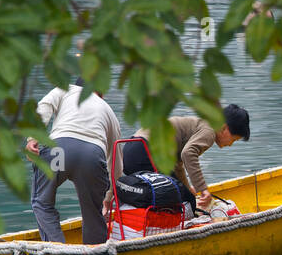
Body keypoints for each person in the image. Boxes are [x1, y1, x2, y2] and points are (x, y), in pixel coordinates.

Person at [105, 104, 250, 217]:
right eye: (234, 139)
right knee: (187, 202)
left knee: (181, 194)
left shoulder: (200, 125)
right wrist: (202, 189)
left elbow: (178, 163)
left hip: (131, 149)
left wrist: (188, 188)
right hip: (146, 152)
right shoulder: (210, 132)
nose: (230, 144)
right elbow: (188, 154)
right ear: (224, 128)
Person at [26, 78, 123, 245]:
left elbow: (44, 107)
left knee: (42, 202)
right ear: (100, 93)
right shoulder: (107, 110)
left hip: (59, 151)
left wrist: (32, 138)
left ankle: (57, 250)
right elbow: (115, 160)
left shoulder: (65, 89)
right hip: (91, 157)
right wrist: (107, 198)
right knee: (93, 213)